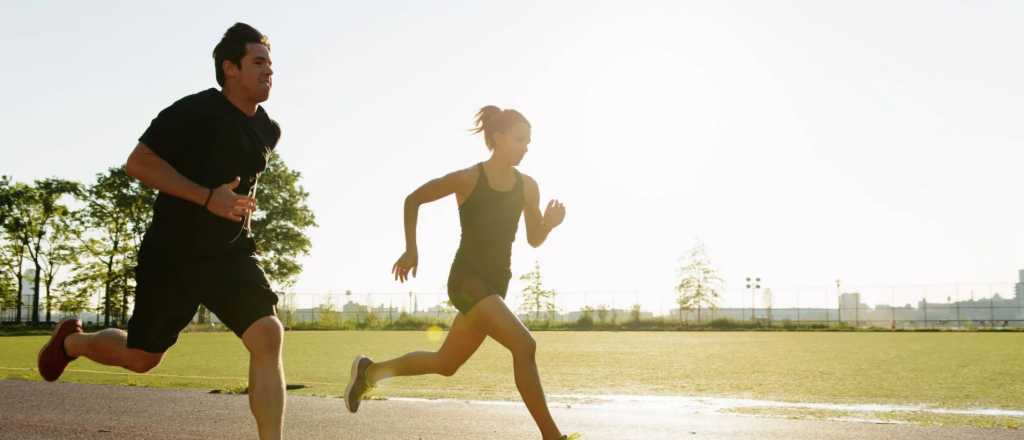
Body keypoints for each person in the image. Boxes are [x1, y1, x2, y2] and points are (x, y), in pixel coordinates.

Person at [36, 22, 286, 440]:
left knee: (268, 334)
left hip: (228, 254)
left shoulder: (267, 130)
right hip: (174, 255)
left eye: (271, 64)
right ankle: (71, 343)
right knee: (141, 357)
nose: (269, 71)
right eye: (258, 62)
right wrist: (208, 198)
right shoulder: (193, 112)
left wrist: (235, 208)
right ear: (230, 68)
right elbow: (139, 163)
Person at [344, 106, 578, 440]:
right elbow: (413, 199)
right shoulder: (469, 179)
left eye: (529, 142)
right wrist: (412, 249)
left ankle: (370, 372)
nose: (526, 147)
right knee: (524, 345)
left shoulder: (528, 187)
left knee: (445, 363)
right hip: (468, 281)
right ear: (497, 138)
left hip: (497, 284)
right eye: (520, 139)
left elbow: (534, 238)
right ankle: (552, 437)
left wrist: (549, 226)